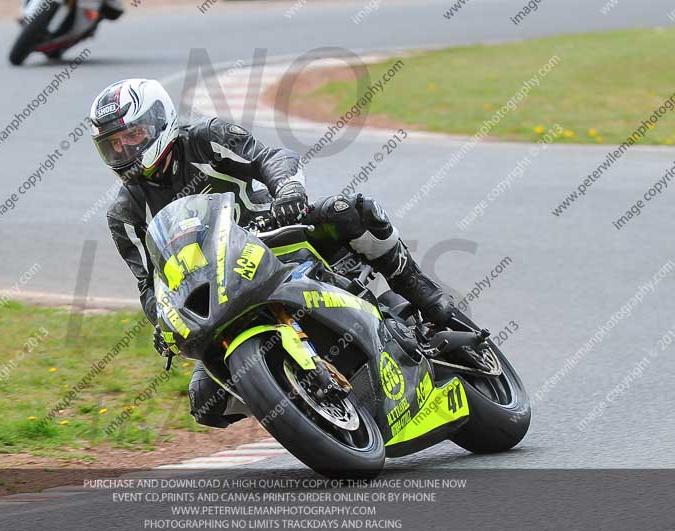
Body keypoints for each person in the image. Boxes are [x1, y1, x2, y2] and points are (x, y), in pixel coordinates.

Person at [89, 78, 453, 428]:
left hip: (278, 235)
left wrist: (288, 192)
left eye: (132, 135)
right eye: (114, 145)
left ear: (158, 121)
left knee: (350, 210)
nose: (125, 150)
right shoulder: (125, 214)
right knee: (205, 399)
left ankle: (422, 292)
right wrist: (162, 323)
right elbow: (149, 283)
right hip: (216, 286)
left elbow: (271, 157)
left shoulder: (206, 138)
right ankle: (294, 396)